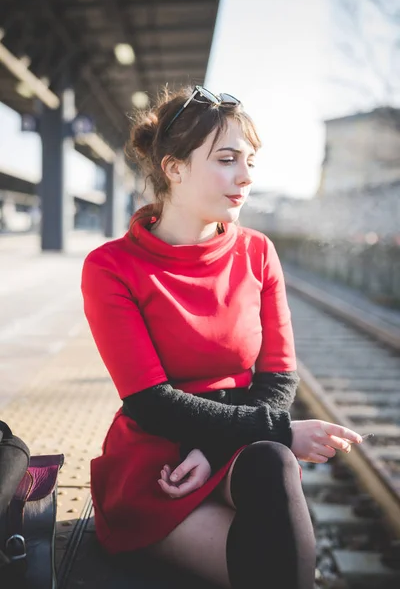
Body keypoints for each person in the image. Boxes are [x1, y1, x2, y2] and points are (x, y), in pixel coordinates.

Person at [81, 85, 363, 589]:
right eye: (228, 159)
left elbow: (278, 378)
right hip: (158, 465)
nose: (246, 177)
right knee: (273, 560)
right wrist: (279, 430)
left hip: (230, 453)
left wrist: (211, 449)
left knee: (273, 464)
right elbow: (151, 402)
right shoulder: (111, 268)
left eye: (249, 161)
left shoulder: (257, 252)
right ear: (174, 167)